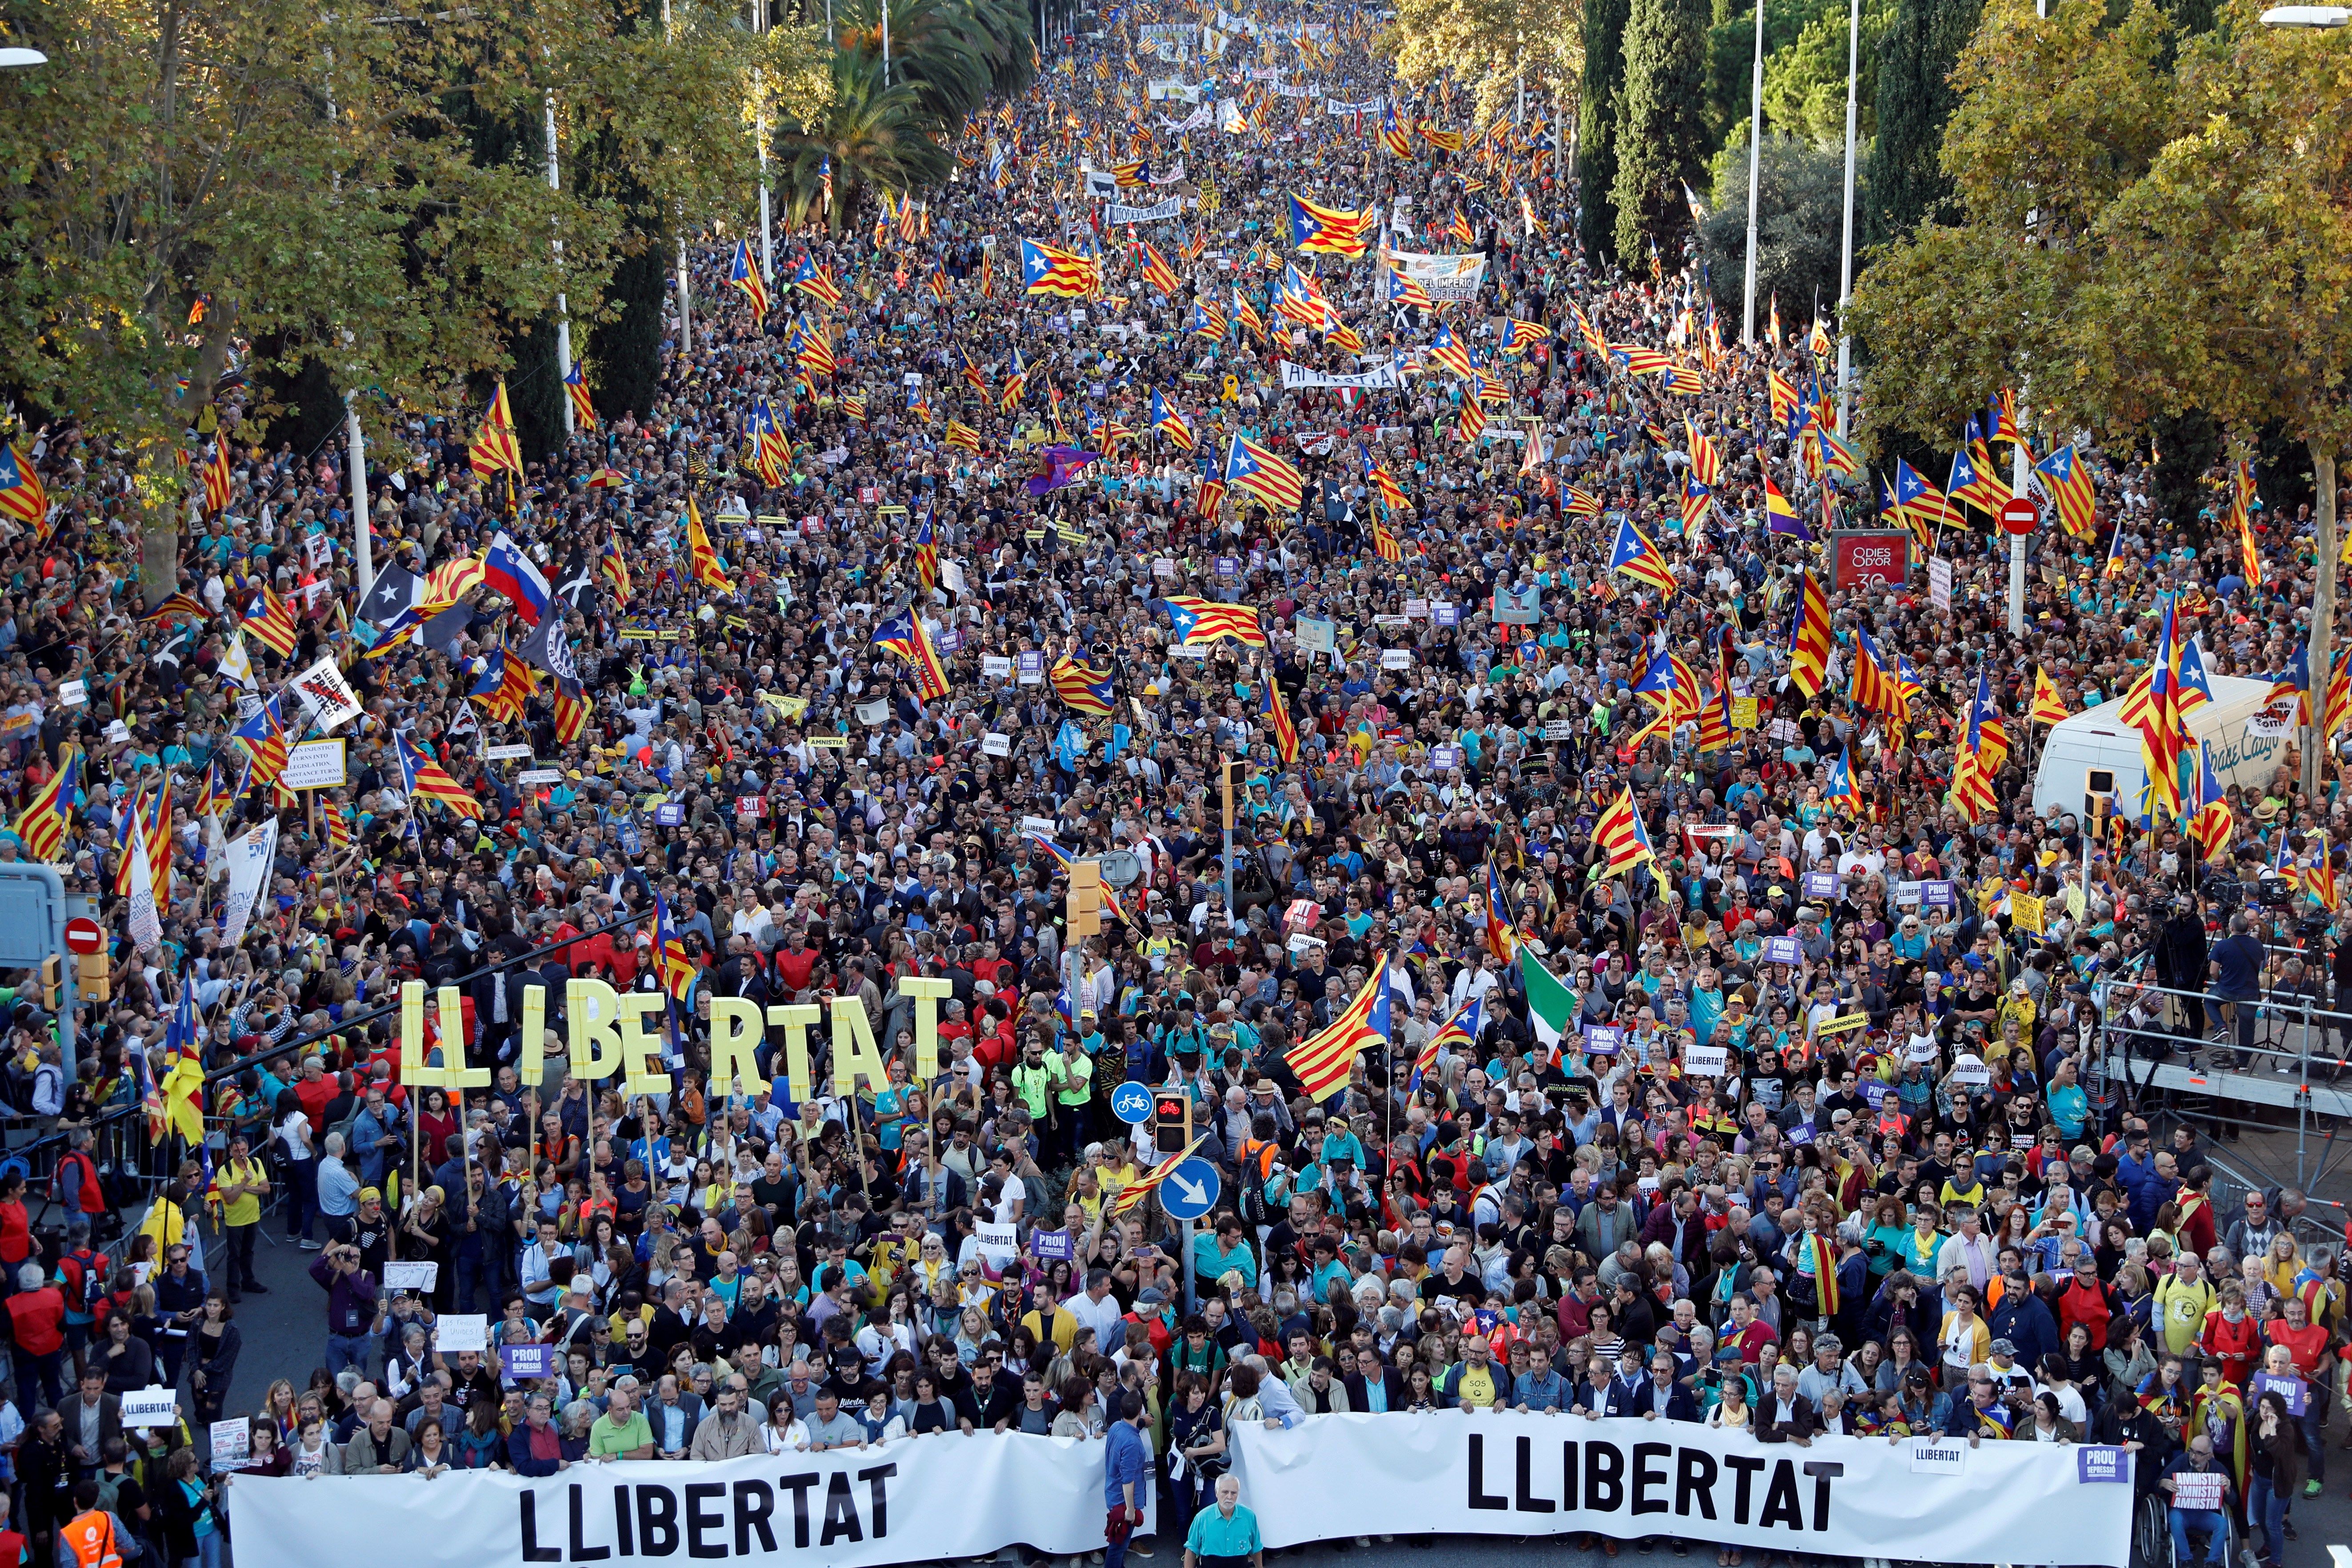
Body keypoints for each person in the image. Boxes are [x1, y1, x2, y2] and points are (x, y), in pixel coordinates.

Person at [2160, 1434, 2236, 1568]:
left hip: (2204, 1514)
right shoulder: (2181, 1461)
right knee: (2175, 1518)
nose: (2193, 1456)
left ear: (2209, 1456)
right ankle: (2186, 1560)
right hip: (2182, 1512)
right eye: (2191, 1451)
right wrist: (2163, 1483)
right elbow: (2158, 1484)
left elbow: (2233, 1501)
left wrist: (2228, 1490)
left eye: (2199, 1453)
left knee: (2222, 1523)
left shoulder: (2218, 1469)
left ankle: (2212, 1562)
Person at [1182, 1474, 1263, 1568]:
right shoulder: (1202, 1518)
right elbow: (1191, 1549)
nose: (1229, 1497)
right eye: (1225, 1492)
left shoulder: (1249, 1516)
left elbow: (1256, 1547)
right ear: (1216, 1493)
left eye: (1234, 1493)